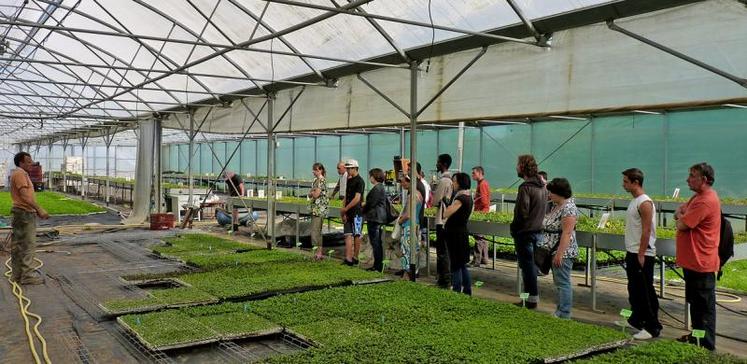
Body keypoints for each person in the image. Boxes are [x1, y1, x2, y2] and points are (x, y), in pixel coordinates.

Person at [675, 163, 721, 351]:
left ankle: (706, 344)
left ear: (704, 179)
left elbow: (682, 224)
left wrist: (681, 217)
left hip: (702, 262)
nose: (688, 179)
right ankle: (697, 337)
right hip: (693, 262)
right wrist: (681, 215)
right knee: (695, 303)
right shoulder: (697, 197)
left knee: (703, 306)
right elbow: (680, 210)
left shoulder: (705, 200)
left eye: (692, 175)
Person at [620, 168, 662, 340]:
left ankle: (652, 327)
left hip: (641, 253)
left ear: (635, 182)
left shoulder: (645, 203)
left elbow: (646, 230)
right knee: (634, 289)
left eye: (625, 181)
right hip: (633, 251)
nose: (623, 184)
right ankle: (636, 320)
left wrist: (642, 253)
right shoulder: (635, 201)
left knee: (645, 291)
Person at [510, 154, 547, 309]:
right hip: (538, 231)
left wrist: (514, 228)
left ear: (523, 167)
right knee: (532, 266)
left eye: (518, 164)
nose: (516, 167)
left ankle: (531, 300)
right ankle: (531, 299)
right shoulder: (542, 186)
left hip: (525, 232)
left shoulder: (525, 187)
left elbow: (522, 213)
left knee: (527, 267)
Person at [9, 152, 50, 285]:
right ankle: (27, 276)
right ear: (21, 163)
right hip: (24, 213)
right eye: (28, 161)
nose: (31, 163)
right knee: (28, 244)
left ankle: (16, 275)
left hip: (21, 213)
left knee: (18, 245)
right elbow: (25, 197)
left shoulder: (18, 173)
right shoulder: (20, 174)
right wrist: (39, 209)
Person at [541, 178, 579, 318]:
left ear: (559, 193)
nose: (549, 195)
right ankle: (560, 310)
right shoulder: (557, 205)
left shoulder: (568, 208)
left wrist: (559, 254)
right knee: (559, 282)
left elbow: (567, 233)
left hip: (563, 252)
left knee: (563, 283)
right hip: (553, 250)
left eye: (551, 192)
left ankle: (564, 313)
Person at [444, 172, 474, 295]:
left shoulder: (460, 198)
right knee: (462, 264)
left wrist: (446, 203)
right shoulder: (468, 196)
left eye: (454, 181)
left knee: (456, 264)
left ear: (460, 183)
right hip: (461, 232)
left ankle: (456, 290)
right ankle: (467, 291)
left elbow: (446, 213)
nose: (453, 184)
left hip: (455, 234)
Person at [433, 154, 453, 288]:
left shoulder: (444, 181)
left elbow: (435, 201)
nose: (436, 165)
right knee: (445, 251)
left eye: (438, 162)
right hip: (447, 220)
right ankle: (445, 279)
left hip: (442, 220)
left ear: (444, 164)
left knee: (442, 252)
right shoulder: (450, 181)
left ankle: (444, 280)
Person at [397, 174, 423, 280]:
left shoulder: (411, 196)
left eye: (403, 181)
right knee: (414, 250)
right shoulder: (419, 195)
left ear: (409, 182)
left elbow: (407, 215)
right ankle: (413, 272)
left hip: (408, 226)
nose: (402, 184)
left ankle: (406, 275)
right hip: (416, 225)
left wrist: (399, 221)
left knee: (406, 251)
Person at [362, 168, 387, 271]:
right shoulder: (380, 187)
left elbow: (371, 204)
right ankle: (377, 265)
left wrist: (363, 207)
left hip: (375, 218)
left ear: (374, 176)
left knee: (375, 242)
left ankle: (377, 266)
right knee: (376, 242)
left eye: (370, 176)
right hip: (377, 217)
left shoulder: (377, 188)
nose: (369, 178)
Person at [340, 159, 364, 266]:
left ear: (355, 168)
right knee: (348, 234)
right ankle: (348, 258)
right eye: (347, 169)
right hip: (348, 212)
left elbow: (357, 198)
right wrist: (343, 210)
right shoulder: (349, 180)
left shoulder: (360, 181)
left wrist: (346, 208)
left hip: (356, 212)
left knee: (356, 234)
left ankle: (355, 257)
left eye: (350, 169)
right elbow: (346, 196)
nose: (348, 171)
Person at [471, 166, 490, 267]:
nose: (472, 175)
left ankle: (476, 260)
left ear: (479, 173)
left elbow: (484, 201)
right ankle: (484, 258)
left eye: (474, 173)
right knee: (483, 237)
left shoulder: (482, 184)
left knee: (479, 237)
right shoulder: (482, 183)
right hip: (483, 212)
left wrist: (475, 202)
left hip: (481, 213)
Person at [309, 163, 329, 260]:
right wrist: (312, 193)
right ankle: (318, 253)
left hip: (319, 210)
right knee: (316, 231)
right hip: (315, 209)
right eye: (313, 170)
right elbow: (311, 194)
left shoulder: (321, 180)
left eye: (316, 170)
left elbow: (316, 194)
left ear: (320, 170)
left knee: (315, 231)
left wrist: (312, 192)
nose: (314, 172)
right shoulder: (315, 180)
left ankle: (318, 253)